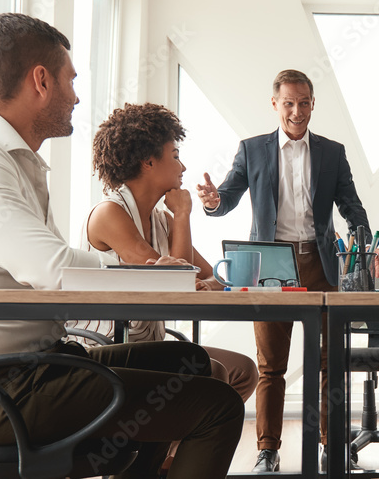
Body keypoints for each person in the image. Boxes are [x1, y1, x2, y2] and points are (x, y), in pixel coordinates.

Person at [0, 13, 244, 479]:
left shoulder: (13, 162)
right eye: (71, 79)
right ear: (41, 81)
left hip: (41, 364)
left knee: (188, 361)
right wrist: (150, 274)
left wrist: (155, 272)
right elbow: (51, 269)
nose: (76, 95)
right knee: (218, 406)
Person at [196, 69, 371, 471]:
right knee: (270, 364)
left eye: (304, 102)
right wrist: (210, 201)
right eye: (289, 102)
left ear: (313, 104)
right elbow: (227, 198)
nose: (297, 110)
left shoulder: (332, 152)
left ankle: (332, 445)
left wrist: (362, 244)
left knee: (331, 361)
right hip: (269, 265)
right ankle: (268, 450)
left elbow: (351, 206)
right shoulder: (252, 149)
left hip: (322, 263)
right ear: (275, 104)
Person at [68, 102, 259, 403]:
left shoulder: (161, 220)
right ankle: (165, 445)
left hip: (149, 347)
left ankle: (172, 448)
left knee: (243, 370)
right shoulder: (109, 214)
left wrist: (201, 282)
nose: (183, 167)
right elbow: (174, 287)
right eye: (175, 156)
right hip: (105, 349)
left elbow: (218, 277)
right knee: (214, 373)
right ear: (148, 161)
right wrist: (183, 215)